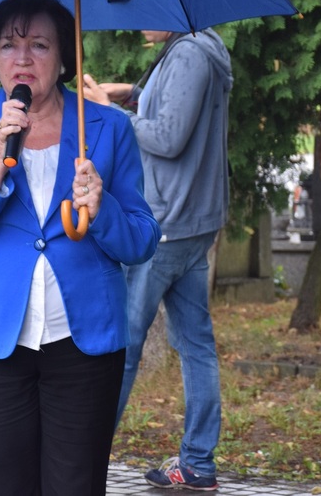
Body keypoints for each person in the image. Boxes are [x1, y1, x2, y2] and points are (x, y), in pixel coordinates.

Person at [0, 0, 160, 496]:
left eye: (40, 45)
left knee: (76, 485)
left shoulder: (108, 128)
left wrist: (103, 207)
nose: (23, 58)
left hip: (84, 342)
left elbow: (142, 239)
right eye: (9, 45)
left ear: (64, 59)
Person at [84, 28, 232, 491]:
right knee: (195, 344)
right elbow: (170, 103)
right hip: (191, 222)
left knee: (122, 348)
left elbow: (168, 137)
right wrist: (127, 93)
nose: (140, 23)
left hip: (168, 224)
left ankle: (83, 460)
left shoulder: (189, 53)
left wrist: (110, 114)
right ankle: (197, 463)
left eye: (150, 14)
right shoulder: (196, 47)